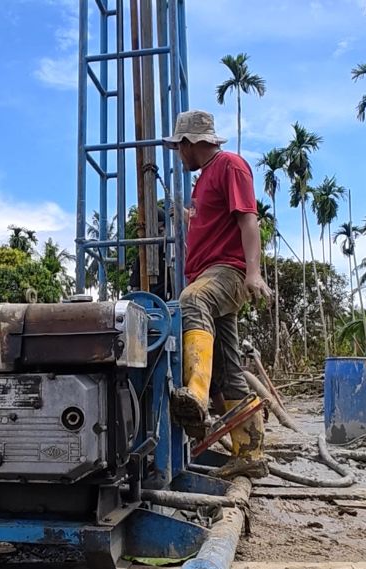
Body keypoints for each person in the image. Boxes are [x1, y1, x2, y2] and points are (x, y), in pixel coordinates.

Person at [163, 110, 274, 479]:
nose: (178, 154)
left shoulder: (231, 166)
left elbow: (248, 219)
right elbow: (210, 221)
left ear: (191, 143)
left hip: (227, 272)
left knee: (191, 301)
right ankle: (250, 451)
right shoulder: (204, 179)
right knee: (229, 371)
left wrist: (254, 273)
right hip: (209, 272)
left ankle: (195, 394)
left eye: (179, 147)